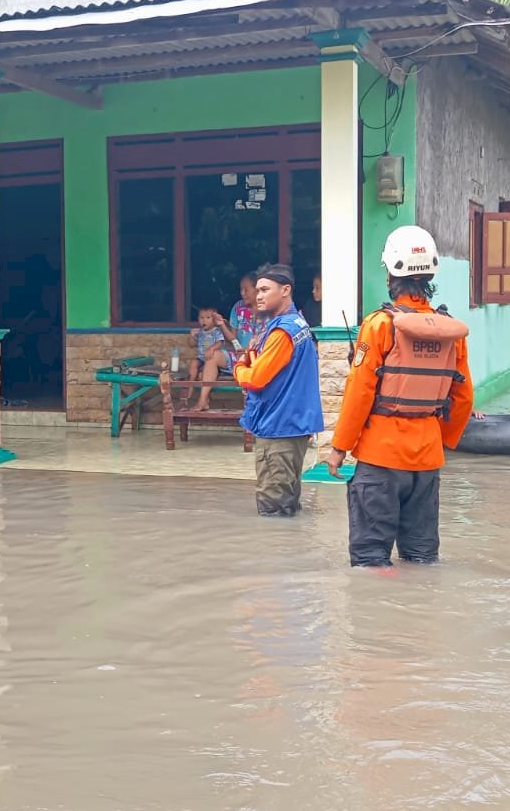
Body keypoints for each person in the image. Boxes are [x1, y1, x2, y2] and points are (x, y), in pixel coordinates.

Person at [325, 225, 473, 566]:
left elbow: (359, 391)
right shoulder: (450, 329)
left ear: (391, 272)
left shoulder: (379, 324)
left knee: (369, 560)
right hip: (427, 458)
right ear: (431, 272)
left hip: (380, 458)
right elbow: (463, 395)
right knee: (422, 557)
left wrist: (339, 448)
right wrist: (442, 441)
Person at [234, 264, 323, 517]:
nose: (258, 295)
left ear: (285, 290)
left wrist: (240, 368)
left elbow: (255, 378)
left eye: (264, 289)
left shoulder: (283, 332)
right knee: (287, 504)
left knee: (273, 510)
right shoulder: (297, 324)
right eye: (257, 290)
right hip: (291, 426)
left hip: (279, 429)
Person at [190, 307, 232, 410]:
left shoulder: (217, 331)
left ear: (214, 319)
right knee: (193, 364)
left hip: (214, 361)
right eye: (201, 318)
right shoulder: (199, 332)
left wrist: (212, 349)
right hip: (201, 359)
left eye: (208, 317)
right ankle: (190, 385)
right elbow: (191, 344)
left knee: (203, 374)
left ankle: (204, 400)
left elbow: (220, 342)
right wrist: (191, 336)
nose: (204, 320)